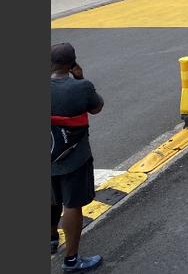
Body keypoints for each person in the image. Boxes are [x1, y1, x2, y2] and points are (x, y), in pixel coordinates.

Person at [51, 43, 105, 272]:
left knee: (50, 197)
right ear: (72, 64)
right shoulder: (81, 87)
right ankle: (71, 260)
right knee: (72, 204)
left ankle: (51, 239)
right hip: (74, 156)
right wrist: (81, 77)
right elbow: (96, 107)